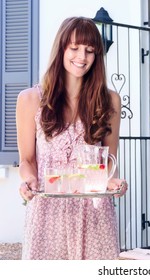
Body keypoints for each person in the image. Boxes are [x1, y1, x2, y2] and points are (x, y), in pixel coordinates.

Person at [16, 16, 128, 260]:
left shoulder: (109, 101)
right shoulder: (30, 99)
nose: (82, 57)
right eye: (74, 48)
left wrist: (111, 182)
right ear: (61, 48)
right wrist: (29, 181)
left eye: (89, 51)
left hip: (94, 214)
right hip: (47, 213)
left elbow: (108, 159)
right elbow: (26, 159)